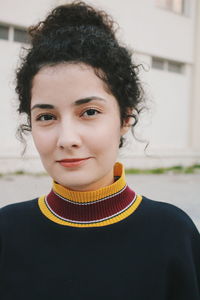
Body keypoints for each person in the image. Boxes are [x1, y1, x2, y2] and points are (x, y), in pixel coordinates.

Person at [0, 1, 199, 299]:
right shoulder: (6, 232)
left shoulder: (173, 234)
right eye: (46, 116)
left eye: (89, 112)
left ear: (125, 118)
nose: (67, 139)